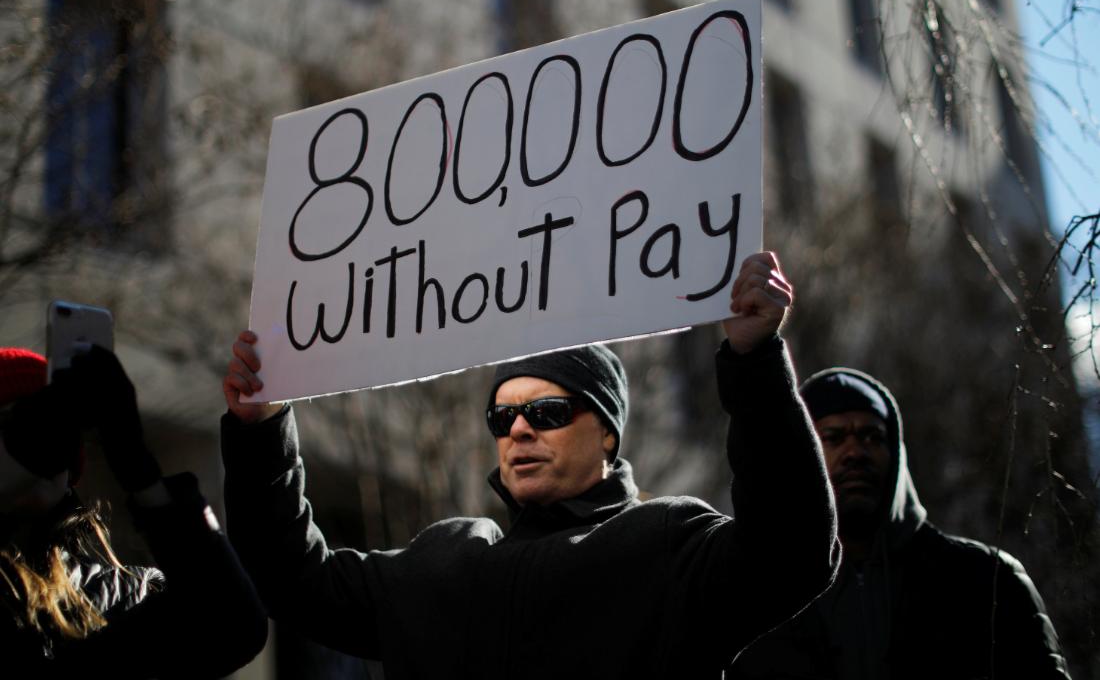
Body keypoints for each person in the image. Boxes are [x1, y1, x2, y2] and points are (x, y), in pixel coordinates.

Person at [220, 251, 839, 678]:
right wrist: (263, 427)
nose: (517, 428)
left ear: (606, 434)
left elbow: (791, 551)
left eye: (546, 411)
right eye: (501, 416)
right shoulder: (443, 563)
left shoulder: (667, 544)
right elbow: (291, 582)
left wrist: (754, 360)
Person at [728, 366, 1071, 680]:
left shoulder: (986, 579)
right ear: (802, 455)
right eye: (832, 437)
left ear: (895, 454)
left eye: (871, 436)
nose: (855, 452)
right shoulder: (760, 597)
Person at [0, 344, 268, 678]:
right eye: (15, 424)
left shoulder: (124, 596)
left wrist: (139, 469)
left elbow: (232, 629)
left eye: (54, 426)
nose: (37, 440)